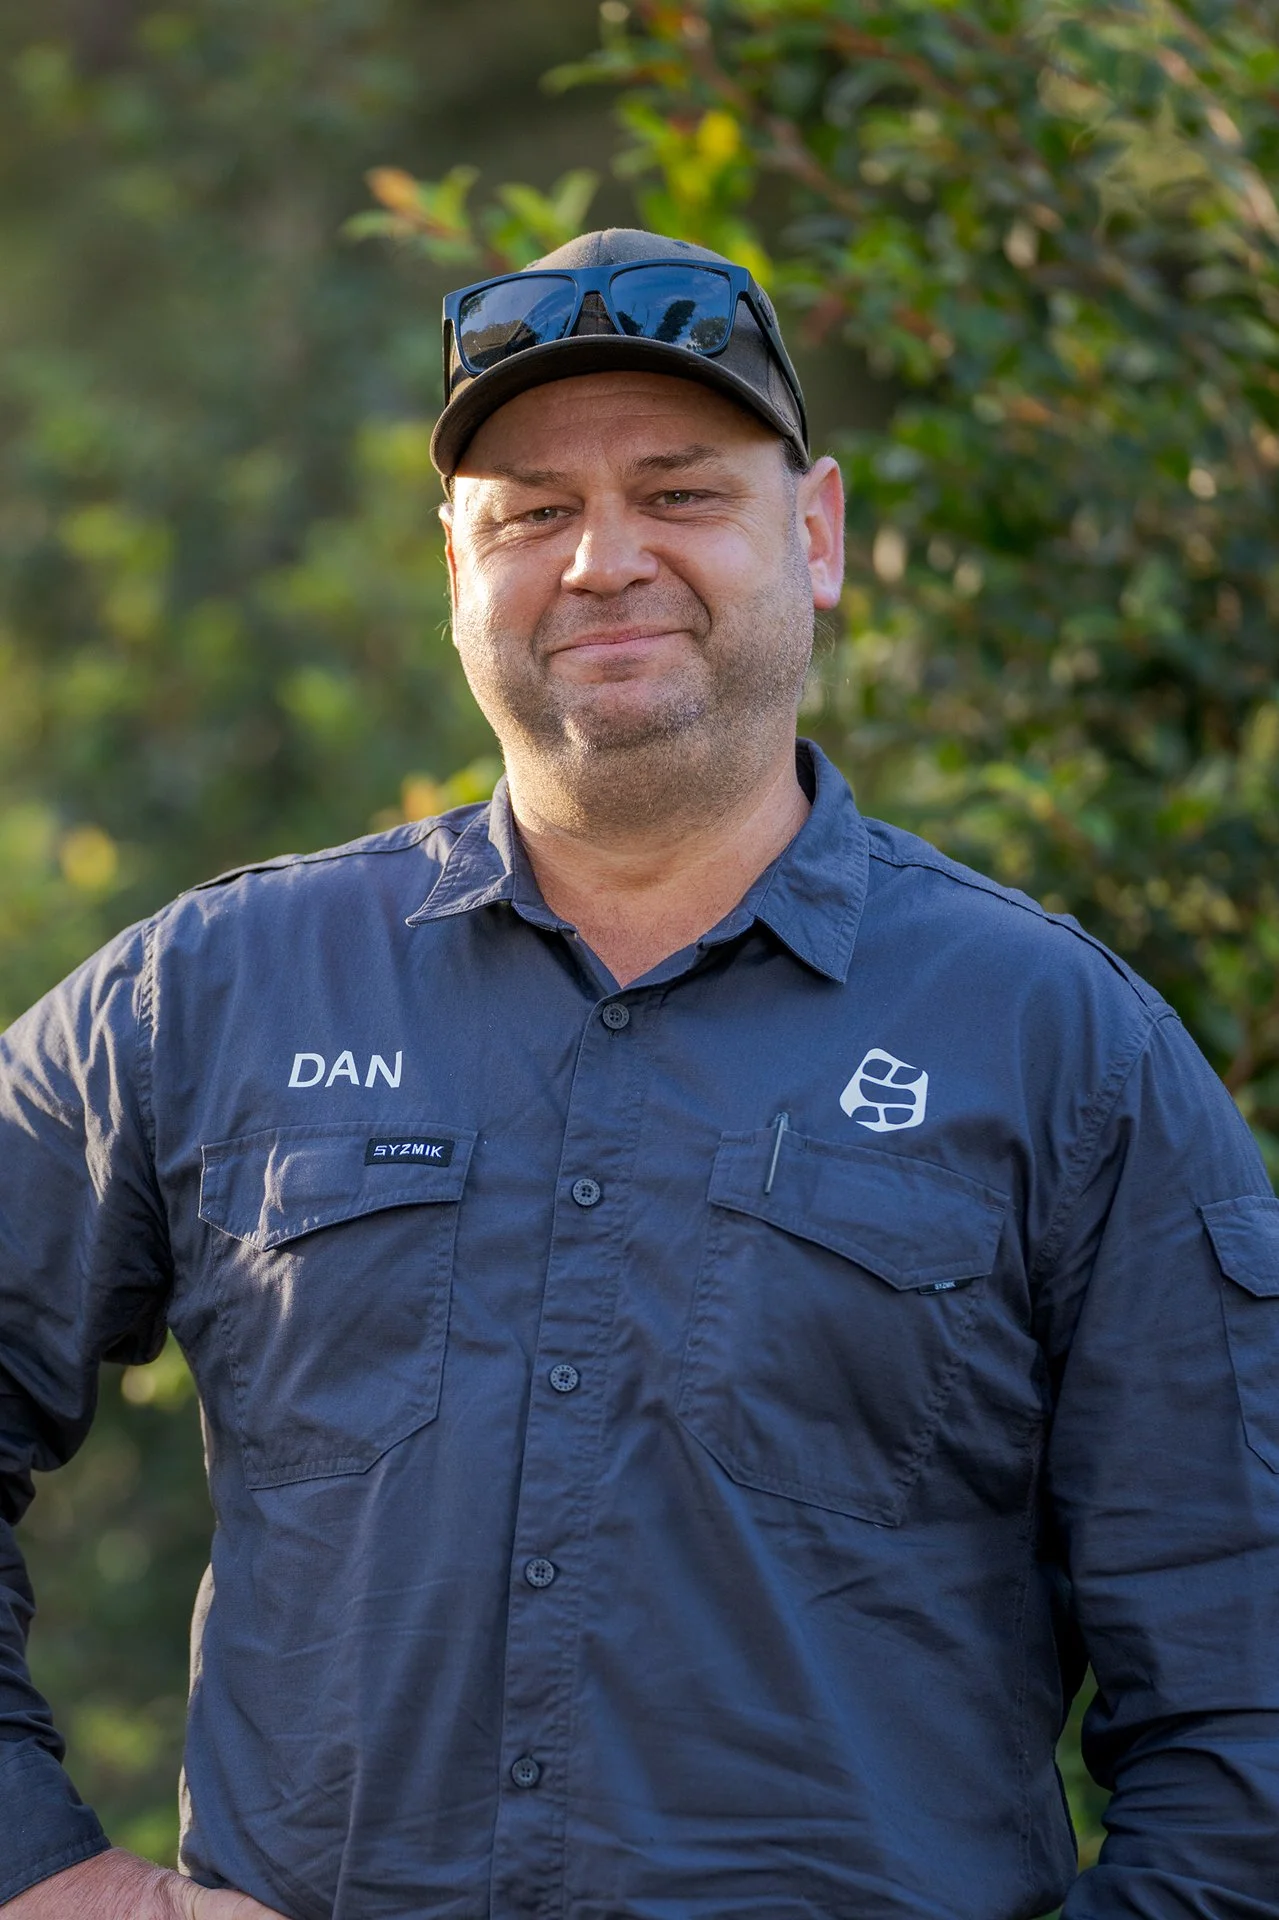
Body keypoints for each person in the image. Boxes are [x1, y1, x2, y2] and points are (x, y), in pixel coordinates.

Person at [1, 226, 1277, 1920]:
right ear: (452, 566)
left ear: (812, 536)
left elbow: (1241, 1695)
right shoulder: (205, 996)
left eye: (679, 493)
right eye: (530, 512)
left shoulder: (1060, 1045)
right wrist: (50, 1881)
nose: (602, 560)